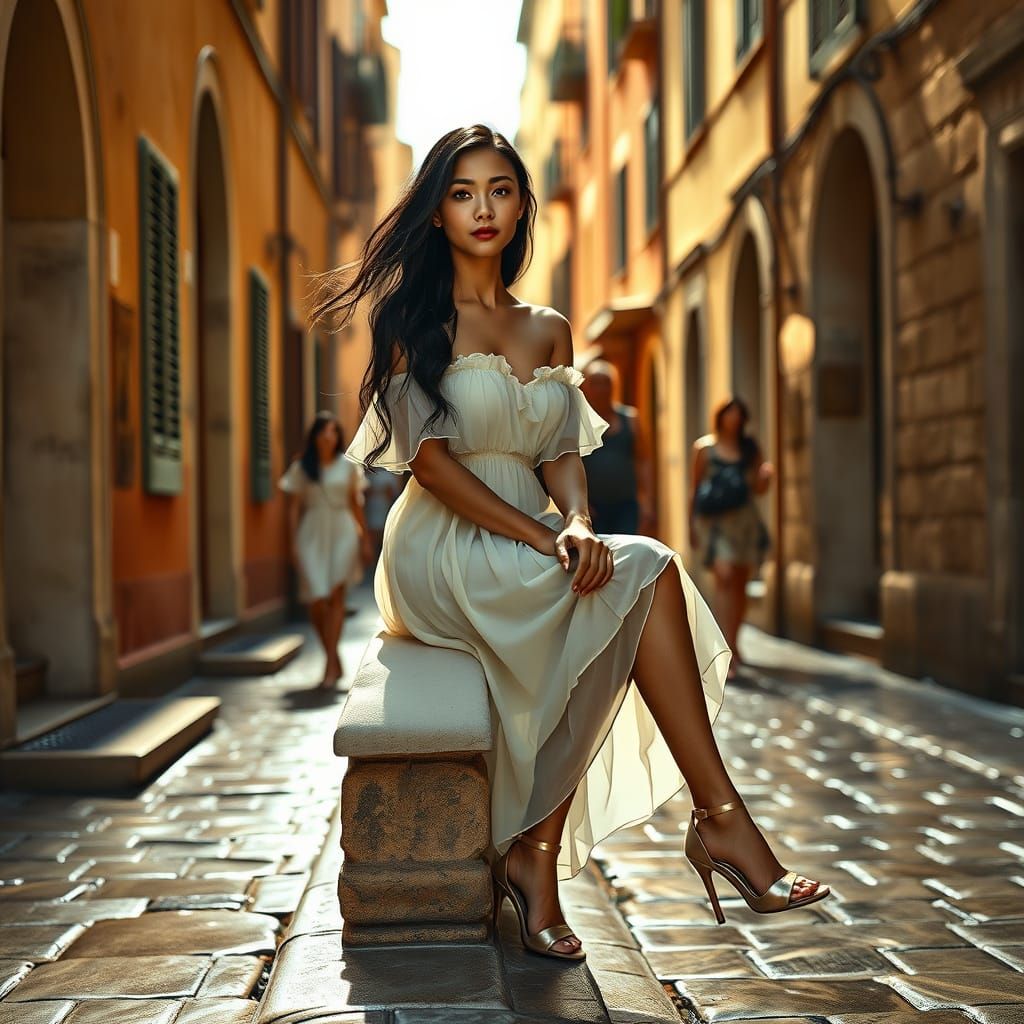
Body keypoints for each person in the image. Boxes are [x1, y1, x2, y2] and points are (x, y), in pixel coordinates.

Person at [305, 125, 827, 962]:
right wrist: (542, 537)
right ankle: (714, 824)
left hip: (534, 535)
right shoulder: (413, 319)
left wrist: (576, 523)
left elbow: (559, 453)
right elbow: (431, 468)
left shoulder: (548, 328)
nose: (484, 208)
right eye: (463, 191)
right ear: (437, 211)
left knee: (627, 590)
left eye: (500, 190)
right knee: (638, 576)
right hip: (440, 548)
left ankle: (545, 855)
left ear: (520, 207)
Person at [279, 412, 374, 689]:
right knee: (316, 597)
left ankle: (330, 665)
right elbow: (294, 508)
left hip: (343, 530)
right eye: (324, 431)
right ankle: (333, 657)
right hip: (312, 531)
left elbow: (356, 505)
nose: (329, 437)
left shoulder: (348, 466)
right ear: (315, 436)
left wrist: (365, 539)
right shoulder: (301, 466)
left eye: (334, 431)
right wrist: (292, 542)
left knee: (335, 592)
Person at [689, 397, 773, 682]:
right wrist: (691, 525)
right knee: (724, 577)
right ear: (721, 416)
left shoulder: (751, 450)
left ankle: (734, 641)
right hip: (715, 524)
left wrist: (766, 477)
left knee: (740, 583)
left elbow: (759, 490)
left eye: (739, 414)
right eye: (730, 413)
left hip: (745, 523)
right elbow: (696, 488)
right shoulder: (704, 448)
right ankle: (724, 647)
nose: (734, 419)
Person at [578, 360, 655, 535]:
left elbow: (643, 460)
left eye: (606, 382)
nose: (601, 388)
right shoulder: (578, 423)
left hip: (626, 505)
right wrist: (580, 504)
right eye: (595, 383)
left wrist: (648, 501)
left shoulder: (631, 419)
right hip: (592, 508)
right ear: (585, 387)